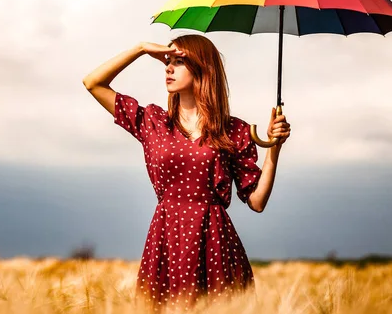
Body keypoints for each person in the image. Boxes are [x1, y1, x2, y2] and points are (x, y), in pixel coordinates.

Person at [82, 34, 291, 312]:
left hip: (215, 244)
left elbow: (257, 201)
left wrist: (273, 148)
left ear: (202, 68)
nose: (168, 67)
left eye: (178, 61)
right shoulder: (153, 122)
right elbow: (93, 83)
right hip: (166, 241)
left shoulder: (233, 130)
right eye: (167, 61)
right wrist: (141, 49)